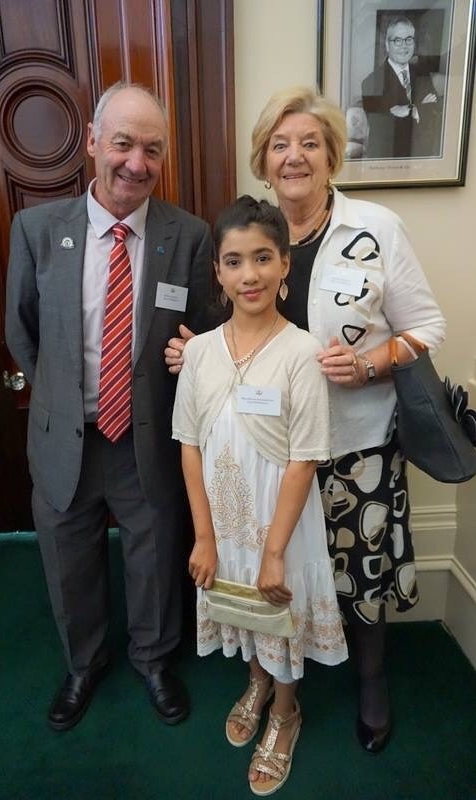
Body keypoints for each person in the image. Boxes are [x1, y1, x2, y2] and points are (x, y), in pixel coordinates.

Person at [165, 86, 446, 753]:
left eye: (309, 143)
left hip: (354, 443)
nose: (294, 156)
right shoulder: (249, 231)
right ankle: (271, 678)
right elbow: (221, 325)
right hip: (265, 458)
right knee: (277, 571)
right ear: (263, 159)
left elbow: (426, 325)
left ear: (330, 156)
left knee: (360, 570)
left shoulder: (374, 227)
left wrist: (373, 361)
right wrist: (188, 351)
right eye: (280, 145)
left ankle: (369, 678)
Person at [5, 82, 214, 731]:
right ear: (94, 141)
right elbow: (22, 327)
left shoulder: (189, 237)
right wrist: (64, 397)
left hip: (146, 437)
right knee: (69, 558)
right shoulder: (38, 229)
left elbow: (203, 334)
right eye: (123, 143)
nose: (136, 163)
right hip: (67, 435)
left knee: (153, 555)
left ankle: (152, 658)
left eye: (152, 150)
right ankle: (85, 662)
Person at [172, 196, 347, 795]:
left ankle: (285, 712)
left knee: (278, 605)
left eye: (263, 258)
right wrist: (203, 534)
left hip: (283, 522)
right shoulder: (197, 352)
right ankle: (257, 680)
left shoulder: (302, 352)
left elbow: (305, 457)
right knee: (240, 605)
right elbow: (189, 444)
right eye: (235, 261)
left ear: (285, 266)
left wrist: (275, 549)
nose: (250, 275)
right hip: (222, 519)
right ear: (218, 272)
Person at [361, 16, 442, 158]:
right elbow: (382, 127)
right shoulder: (371, 82)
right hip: (387, 162)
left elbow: (435, 116)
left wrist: (411, 109)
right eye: (397, 40)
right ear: (387, 45)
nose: (404, 46)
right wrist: (421, 109)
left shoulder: (423, 76)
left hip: (422, 158)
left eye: (409, 39)